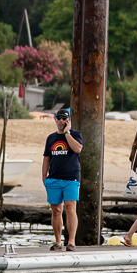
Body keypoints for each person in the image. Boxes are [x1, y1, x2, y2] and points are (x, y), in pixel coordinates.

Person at [40, 107, 83, 251]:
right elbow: (46, 157)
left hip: (71, 178)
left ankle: (71, 241)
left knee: (71, 208)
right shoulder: (51, 138)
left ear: (68, 120)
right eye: (59, 118)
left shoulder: (75, 134)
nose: (61, 121)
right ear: (55, 120)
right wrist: (44, 176)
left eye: (64, 118)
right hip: (54, 179)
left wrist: (67, 133)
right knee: (56, 210)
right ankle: (58, 241)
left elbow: (77, 149)